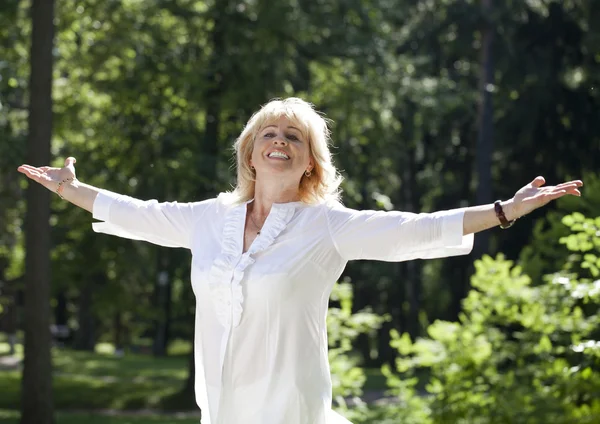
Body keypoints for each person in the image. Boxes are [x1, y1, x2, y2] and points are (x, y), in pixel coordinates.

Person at [17, 97, 583, 424]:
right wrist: (72, 189)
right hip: (225, 410)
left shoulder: (327, 225)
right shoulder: (208, 219)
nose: (279, 140)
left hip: (292, 411)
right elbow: (139, 213)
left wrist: (503, 211)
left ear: (311, 161)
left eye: (294, 135)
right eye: (269, 132)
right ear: (250, 151)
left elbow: (415, 230)